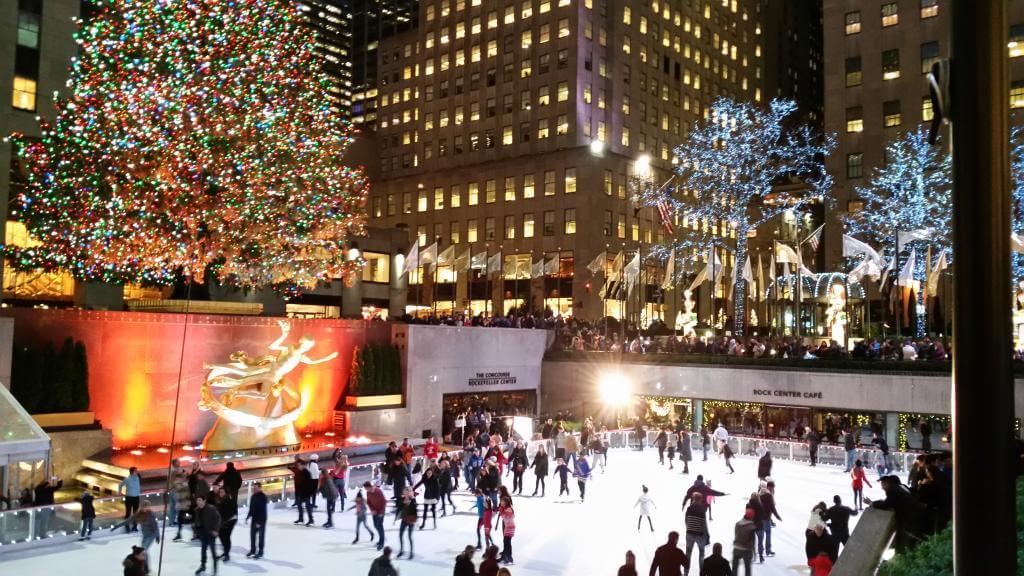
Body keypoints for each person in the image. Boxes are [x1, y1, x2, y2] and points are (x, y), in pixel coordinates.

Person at [865, 475, 925, 552]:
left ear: (886, 483)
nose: (882, 487)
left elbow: (886, 504)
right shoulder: (900, 487)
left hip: (911, 516)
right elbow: (889, 501)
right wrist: (873, 503)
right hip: (917, 513)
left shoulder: (892, 490)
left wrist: (872, 504)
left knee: (904, 537)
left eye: (882, 484)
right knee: (908, 537)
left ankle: (902, 555)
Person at [194, 494, 221, 576]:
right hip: (203, 534)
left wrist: (215, 530)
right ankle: (203, 565)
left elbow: (218, 518)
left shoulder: (211, 508)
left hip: (211, 533)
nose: (198, 502)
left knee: (213, 551)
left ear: (204, 501)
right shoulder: (197, 510)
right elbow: (196, 522)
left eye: (199, 500)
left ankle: (215, 568)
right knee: (203, 551)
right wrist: (196, 532)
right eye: (197, 500)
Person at [683, 493, 709, 575]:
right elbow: (704, 524)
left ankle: (686, 573)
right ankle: (701, 573)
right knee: (701, 553)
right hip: (699, 534)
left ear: (693, 499)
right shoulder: (702, 509)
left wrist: (689, 528)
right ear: (701, 499)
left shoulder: (689, 508)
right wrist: (707, 535)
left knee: (688, 554)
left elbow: (686, 521)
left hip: (689, 534)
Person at [759, 480, 782, 558]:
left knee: (761, 536)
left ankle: (760, 551)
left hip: (760, 519)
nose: (773, 489)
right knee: (768, 534)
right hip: (766, 519)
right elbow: (772, 508)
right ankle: (768, 551)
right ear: (769, 487)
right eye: (773, 487)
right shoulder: (769, 496)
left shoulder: (759, 494)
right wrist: (778, 516)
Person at [245, 482, 267, 559]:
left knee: (261, 537)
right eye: (254, 488)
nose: (254, 489)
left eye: (256, 488)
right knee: (252, 536)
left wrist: (259, 522)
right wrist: (248, 517)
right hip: (254, 520)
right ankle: (253, 550)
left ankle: (260, 552)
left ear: (260, 488)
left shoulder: (263, 497)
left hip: (261, 520)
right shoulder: (253, 496)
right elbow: (251, 508)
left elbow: (262, 511)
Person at [731, 509, 756, 576]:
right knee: (747, 569)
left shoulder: (737, 524)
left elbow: (736, 534)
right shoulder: (752, 527)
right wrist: (754, 552)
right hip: (746, 550)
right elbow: (752, 541)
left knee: (734, 569)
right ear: (752, 517)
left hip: (736, 548)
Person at [215, 486, 237, 562]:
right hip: (223, 521)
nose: (220, 493)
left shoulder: (229, 500)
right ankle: (225, 552)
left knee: (226, 537)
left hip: (230, 521)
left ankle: (227, 554)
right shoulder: (220, 499)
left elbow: (230, 513)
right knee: (221, 536)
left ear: (226, 492)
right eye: (220, 492)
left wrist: (222, 522)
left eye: (222, 492)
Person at [366, 481, 388, 551]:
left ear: (371, 487)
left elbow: (384, 502)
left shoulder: (379, 492)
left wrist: (381, 513)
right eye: (366, 489)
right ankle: (381, 538)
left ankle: (382, 542)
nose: (368, 490)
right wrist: (372, 510)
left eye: (368, 489)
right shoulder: (368, 492)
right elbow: (368, 502)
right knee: (375, 525)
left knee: (379, 525)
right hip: (374, 511)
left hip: (381, 511)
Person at [118, 468, 141, 533]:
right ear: (132, 472)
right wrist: (119, 493)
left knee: (135, 513)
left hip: (136, 497)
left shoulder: (137, 478)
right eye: (136, 471)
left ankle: (134, 527)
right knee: (128, 513)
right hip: (129, 498)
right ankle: (127, 527)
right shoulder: (127, 479)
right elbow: (120, 485)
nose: (137, 472)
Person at [292, 459, 314, 526]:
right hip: (301, 492)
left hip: (306, 493)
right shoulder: (301, 472)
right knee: (299, 505)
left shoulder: (306, 472)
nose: (298, 467)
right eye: (297, 465)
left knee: (307, 506)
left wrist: (308, 492)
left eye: (299, 465)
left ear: (302, 465)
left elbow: (309, 483)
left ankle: (311, 519)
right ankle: (301, 518)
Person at [397, 488, 417, 560]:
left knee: (409, 536)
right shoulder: (402, 499)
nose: (405, 493)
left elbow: (414, 510)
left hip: (411, 520)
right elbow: (398, 507)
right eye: (404, 492)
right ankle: (401, 550)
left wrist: (410, 503)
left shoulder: (413, 499)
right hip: (404, 519)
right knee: (400, 535)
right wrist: (402, 502)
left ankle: (411, 552)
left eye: (406, 492)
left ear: (409, 493)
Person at [746, 492, 767, 563]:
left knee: (751, 542)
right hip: (760, 526)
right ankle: (761, 557)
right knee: (760, 542)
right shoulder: (760, 506)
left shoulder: (748, 505)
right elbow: (763, 516)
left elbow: (747, 515)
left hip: (751, 526)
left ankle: (751, 556)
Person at [496, 496, 516, 564]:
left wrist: (501, 510)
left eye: (502, 501)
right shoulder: (506, 508)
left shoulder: (509, 509)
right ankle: (507, 557)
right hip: (508, 526)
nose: (501, 502)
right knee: (506, 542)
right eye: (501, 501)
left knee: (507, 542)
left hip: (510, 527)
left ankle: (508, 557)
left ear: (506, 502)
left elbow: (505, 516)